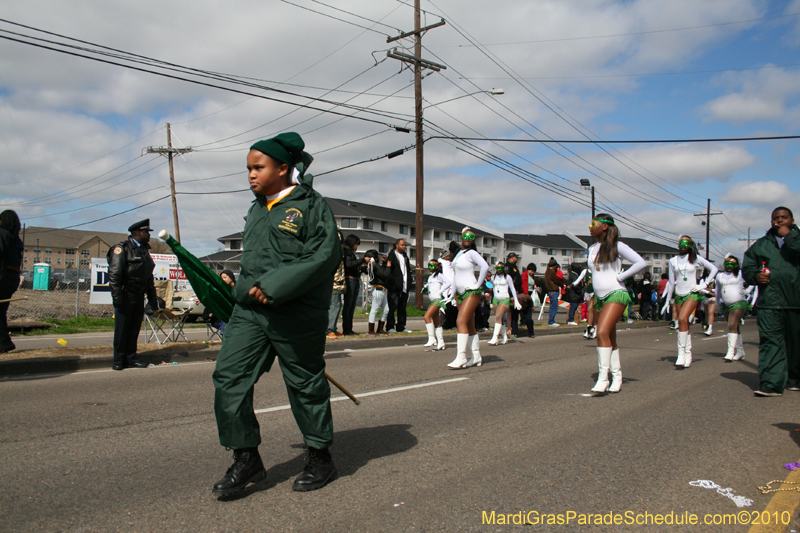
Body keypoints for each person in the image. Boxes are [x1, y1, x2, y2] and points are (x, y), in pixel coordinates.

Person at [211, 132, 342, 497]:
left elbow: (324, 255)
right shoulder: (256, 209)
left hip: (296, 312)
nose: (250, 175)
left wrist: (276, 285)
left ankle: (320, 457)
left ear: (283, 168)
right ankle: (246, 457)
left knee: (304, 385)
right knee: (228, 379)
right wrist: (237, 286)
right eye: (248, 169)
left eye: (258, 167)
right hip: (250, 313)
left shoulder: (310, 204)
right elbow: (255, 261)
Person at [742, 206, 800, 397]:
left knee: (795, 344)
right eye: (776, 218)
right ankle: (771, 383)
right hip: (770, 303)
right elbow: (748, 267)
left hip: (796, 302)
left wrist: (789, 236)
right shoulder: (761, 245)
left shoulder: (797, 239)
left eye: (784, 217)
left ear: (791, 220)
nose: (779, 220)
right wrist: (755, 276)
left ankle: (794, 379)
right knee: (771, 342)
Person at [586, 214, 646, 393]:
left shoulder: (618, 246)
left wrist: (620, 276)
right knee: (609, 337)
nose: (590, 227)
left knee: (601, 332)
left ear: (605, 226)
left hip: (616, 294)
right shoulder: (592, 248)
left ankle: (603, 378)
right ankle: (617, 376)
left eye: (594, 224)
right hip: (599, 297)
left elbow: (641, 262)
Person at [107, 219, 158, 371]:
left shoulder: (143, 251)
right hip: (125, 294)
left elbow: (148, 277)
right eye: (147, 232)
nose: (149, 235)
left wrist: (152, 298)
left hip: (138, 295)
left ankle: (131, 358)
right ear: (139, 232)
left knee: (134, 329)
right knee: (122, 329)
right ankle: (119, 359)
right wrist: (117, 297)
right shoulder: (122, 249)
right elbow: (114, 275)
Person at [661, 236, 718, 368]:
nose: (682, 245)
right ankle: (687, 353)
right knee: (683, 322)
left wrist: (703, 285)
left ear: (691, 245)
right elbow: (671, 282)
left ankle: (681, 353)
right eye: (680, 242)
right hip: (678, 294)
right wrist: (667, 300)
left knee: (682, 318)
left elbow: (714, 269)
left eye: (686, 243)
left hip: (692, 293)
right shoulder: (672, 261)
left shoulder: (696, 258)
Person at [446, 227, 489, 369]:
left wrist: (478, 284)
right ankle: (476, 356)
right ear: (461, 238)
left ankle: (461, 356)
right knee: (469, 324)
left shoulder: (472, 253)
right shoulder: (459, 254)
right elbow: (455, 275)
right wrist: (451, 294)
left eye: (471, 237)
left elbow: (485, 266)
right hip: (460, 294)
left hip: (471, 292)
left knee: (460, 321)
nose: (468, 239)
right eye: (465, 236)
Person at [715, 255, 754, 362]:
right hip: (726, 305)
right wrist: (717, 304)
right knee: (735, 327)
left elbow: (753, 281)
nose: (729, 266)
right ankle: (740, 351)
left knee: (731, 325)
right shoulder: (720, 275)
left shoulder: (741, 273)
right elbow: (717, 291)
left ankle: (730, 352)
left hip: (739, 303)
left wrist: (748, 291)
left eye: (732, 264)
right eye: (727, 263)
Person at [0, 210, 23, 354]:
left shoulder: (2, 234)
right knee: (1, 312)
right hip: (13, 278)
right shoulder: (17, 240)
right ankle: (4, 343)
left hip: (2, 276)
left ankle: (4, 343)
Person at [488, 261, 521, 345]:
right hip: (496, 299)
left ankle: (495, 337)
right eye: (498, 268)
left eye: (501, 268)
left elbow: (512, 289)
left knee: (498, 316)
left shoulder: (508, 277)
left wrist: (516, 300)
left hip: (505, 299)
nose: (499, 270)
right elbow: (491, 286)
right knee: (500, 319)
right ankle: (504, 336)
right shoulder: (493, 277)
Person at [422, 259, 450, 350]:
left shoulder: (440, 276)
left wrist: (441, 291)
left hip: (437, 300)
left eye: (432, 266)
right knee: (436, 322)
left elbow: (448, 283)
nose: (430, 268)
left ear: (437, 266)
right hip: (432, 300)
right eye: (429, 265)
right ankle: (441, 342)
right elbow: (429, 284)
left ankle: (432, 338)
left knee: (426, 317)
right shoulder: (431, 276)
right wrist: (424, 288)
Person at [341, 234, 366, 336]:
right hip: (349, 280)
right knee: (348, 305)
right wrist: (363, 260)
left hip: (355, 279)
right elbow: (349, 264)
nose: (357, 246)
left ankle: (349, 328)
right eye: (356, 244)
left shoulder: (353, 253)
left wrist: (363, 267)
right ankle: (346, 329)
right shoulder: (347, 252)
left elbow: (355, 266)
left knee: (352, 306)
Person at [364, 249, 392, 335]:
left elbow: (381, 273)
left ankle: (380, 329)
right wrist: (388, 266)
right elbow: (385, 274)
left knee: (386, 309)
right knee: (374, 309)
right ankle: (371, 330)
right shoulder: (374, 266)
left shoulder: (375, 266)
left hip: (382, 289)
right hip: (378, 289)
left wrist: (384, 263)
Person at [386, 238, 411, 333]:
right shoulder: (392, 256)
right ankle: (390, 326)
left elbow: (407, 270)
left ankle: (401, 326)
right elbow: (390, 272)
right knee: (392, 307)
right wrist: (394, 282)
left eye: (405, 245)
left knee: (402, 308)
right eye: (402, 245)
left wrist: (409, 282)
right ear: (397, 245)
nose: (404, 247)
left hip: (404, 286)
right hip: (395, 287)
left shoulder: (405, 256)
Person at [203, 270, 236, 336]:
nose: (223, 280)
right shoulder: (221, 291)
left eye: (225, 277)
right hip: (222, 320)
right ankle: (225, 337)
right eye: (222, 278)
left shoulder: (237, 289)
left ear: (231, 277)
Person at [326, 232, 345, 339]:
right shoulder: (332, 250)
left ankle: (332, 328)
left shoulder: (338, 250)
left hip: (338, 282)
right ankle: (329, 330)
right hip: (334, 282)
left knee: (337, 306)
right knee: (334, 305)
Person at [439, 242, 459, 330]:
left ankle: (451, 324)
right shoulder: (441, 263)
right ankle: (443, 324)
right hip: (445, 289)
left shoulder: (450, 264)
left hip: (453, 289)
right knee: (445, 308)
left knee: (453, 308)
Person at [505, 252, 524, 337]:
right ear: (512, 258)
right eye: (516, 257)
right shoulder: (508, 266)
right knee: (509, 309)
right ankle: (507, 324)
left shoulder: (514, 266)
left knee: (515, 310)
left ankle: (513, 328)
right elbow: (508, 279)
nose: (517, 259)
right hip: (510, 290)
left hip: (516, 289)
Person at [544, 258, 564, 326]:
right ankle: (551, 321)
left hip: (550, 291)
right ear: (554, 266)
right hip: (553, 291)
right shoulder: (552, 272)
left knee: (552, 306)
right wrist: (562, 285)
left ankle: (551, 320)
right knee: (554, 307)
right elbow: (557, 280)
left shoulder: (547, 271)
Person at [520, 263, 537, 338]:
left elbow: (533, 283)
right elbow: (524, 285)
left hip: (531, 293)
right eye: (531, 270)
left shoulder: (532, 276)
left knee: (529, 314)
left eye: (533, 271)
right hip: (525, 295)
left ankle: (531, 331)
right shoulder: (524, 275)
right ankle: (524, 323)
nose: (532, 272)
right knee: (525, 311)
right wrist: (526, 296)